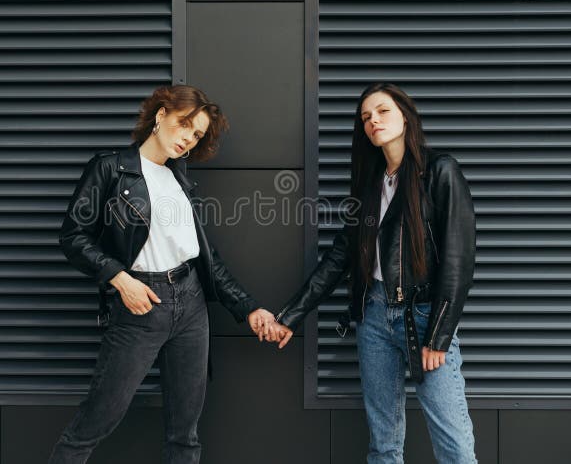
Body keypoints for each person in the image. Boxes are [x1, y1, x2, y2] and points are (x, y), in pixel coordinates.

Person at [48, 84, 275, 464]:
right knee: (95, 421)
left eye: (197, 133)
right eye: (185, 124)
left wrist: (248, 307)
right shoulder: (110, 169)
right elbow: (73, 235)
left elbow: (205, 258)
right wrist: (120, 279)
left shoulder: (180, 180)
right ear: (160, 115)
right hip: (140, 305)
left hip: (191, 306)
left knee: (185, 433)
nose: (188, 138)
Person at [267, 82, 478, 463]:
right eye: (366, 117)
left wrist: (440, 335)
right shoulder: (370, 184)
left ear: (405, 116)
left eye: (382, 111)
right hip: (374, 318)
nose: (373, 121)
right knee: (383, 443)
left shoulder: (440, 171)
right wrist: (291, 316)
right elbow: (340, 257)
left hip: (425, 316)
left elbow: (458, 260)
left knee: (454, 445)